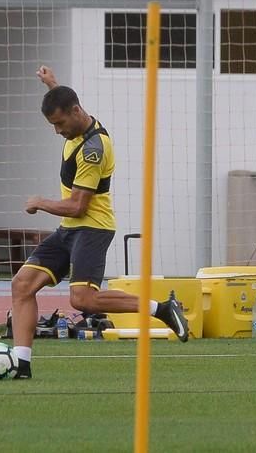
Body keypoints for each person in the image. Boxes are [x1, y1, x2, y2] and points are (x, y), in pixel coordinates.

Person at [11, 66, 189, 379]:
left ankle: (161, 309)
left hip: (92, 228)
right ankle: (20, 364)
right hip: (69, 229)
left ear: (75, 112)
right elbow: (67, 101)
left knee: (83, 300)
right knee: (22, 285)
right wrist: (53, 85)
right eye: (53, 125)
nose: (57, 131)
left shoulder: (93, 148)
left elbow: (78, 206)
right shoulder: (77, 119)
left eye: (60, 123)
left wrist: (40, 202)